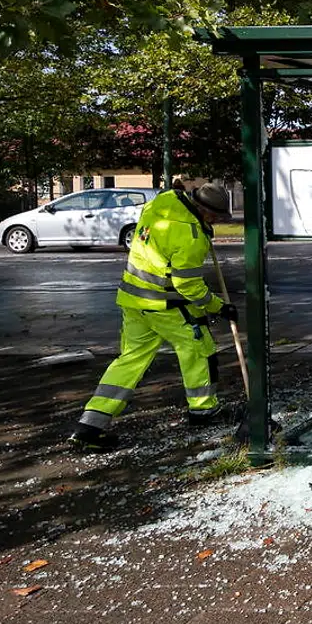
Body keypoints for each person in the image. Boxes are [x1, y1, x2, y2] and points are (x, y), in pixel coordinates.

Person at [69, 184, 237, 451]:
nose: (216, 221)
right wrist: (217, 307)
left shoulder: (161, 204)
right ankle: (203, 410)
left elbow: (172, 195)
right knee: (199, 350)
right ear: (203, 210)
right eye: (215, 216)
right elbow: (188, 286)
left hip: (133, 301)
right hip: (166, 305)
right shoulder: (190, 236)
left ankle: (90, 426)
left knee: (130, 360)